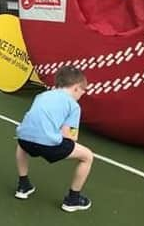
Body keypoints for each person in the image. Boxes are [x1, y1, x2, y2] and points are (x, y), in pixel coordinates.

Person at [14, 65, 94, 212]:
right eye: (83, 90)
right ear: (76, 88)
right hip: (48, 145)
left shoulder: (41, 96)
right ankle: (73, 199)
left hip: (24, 139)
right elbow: (70, 137)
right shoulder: (74, 106)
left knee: (22, 143)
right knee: (87, 156)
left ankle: (23, 185)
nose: (83, 94)